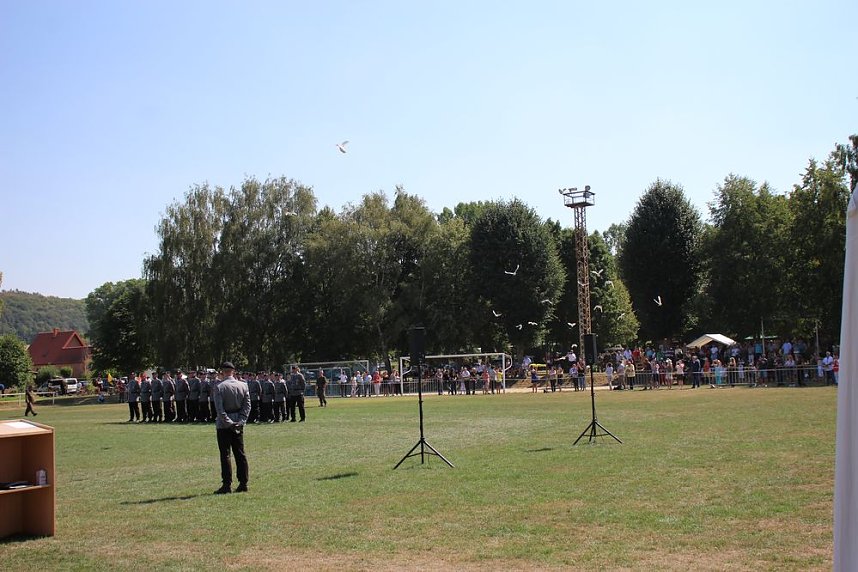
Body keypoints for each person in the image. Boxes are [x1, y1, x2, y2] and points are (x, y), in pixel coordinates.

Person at [213, 361, 251, 494]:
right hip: (238, 422)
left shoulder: (219, 387)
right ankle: (243, 482)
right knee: (240, 453)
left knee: (225, 455)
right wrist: (241, 421)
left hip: (224, 425)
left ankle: (227, 484)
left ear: (222, 372)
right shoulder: (243, 385)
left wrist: (229, 422)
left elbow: (219, 409)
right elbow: (247, 406)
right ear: (233, 371)